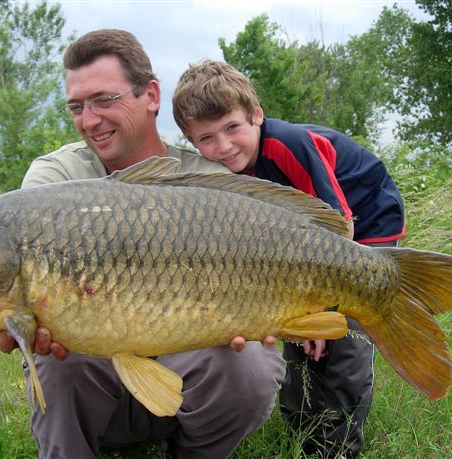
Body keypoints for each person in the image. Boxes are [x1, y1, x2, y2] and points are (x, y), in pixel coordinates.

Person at [0, 30, 286, 459]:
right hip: (95, 376)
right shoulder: (54, 179)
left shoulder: (207, 180)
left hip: (186, 370)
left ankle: (192, 450)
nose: (90, 119)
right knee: (58, 359)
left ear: (151, 95)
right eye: (77, 106)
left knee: (250, 363)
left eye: (104, 100)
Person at [172, 59, 406, 458]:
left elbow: (339, 227)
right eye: (207, 138)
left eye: (232, 128)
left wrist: (321, 305)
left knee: (345, 339)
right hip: (304, 254)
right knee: (295, 336)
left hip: (364, 231)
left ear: (256, 114)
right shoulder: (222, 172)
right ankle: (302, 433)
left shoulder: (289, 144)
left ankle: (337, 447)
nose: (224, 146)